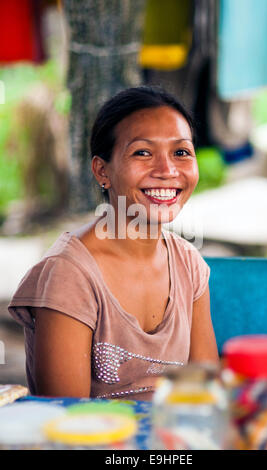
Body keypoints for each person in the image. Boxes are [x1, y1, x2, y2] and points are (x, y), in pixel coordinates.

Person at [8, 86, 219, 401]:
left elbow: (206, 392)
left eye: (181, 152)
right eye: (143, 152)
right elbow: (67, 418)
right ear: (102, 170)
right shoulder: (70, 274)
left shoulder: (189, 264)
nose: (167, 171)